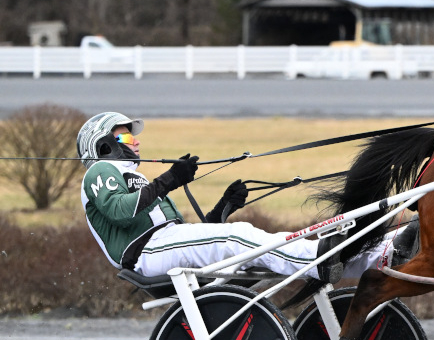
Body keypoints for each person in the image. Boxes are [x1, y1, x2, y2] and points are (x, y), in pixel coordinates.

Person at [77, 111, 402, 283]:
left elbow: (201, 240)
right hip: (146, 254)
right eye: (125, 133)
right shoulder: (101, 170)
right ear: (103, 144)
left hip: (163, 245)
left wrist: (224, 207)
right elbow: (120, 212)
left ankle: (378, 257)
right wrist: (170, 179)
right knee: (242, 237)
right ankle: (316, 260)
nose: (134, 141)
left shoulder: (132, 176)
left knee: (262, 241)